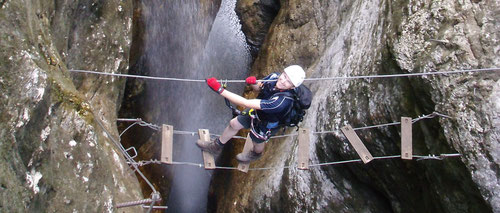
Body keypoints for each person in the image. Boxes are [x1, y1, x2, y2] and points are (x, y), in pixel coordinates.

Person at [196, 65, 306, 163]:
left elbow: (246, 103)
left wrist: (220, 90)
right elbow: (260, 88)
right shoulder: (274, 77)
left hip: (267, 123)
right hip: (257, 112)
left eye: (288, 81)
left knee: (257, 141)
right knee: (234, 124)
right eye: (284, 75)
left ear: (292, 87)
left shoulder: (282, 102)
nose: (282, 80)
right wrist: (254, 83)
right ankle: (216, 146)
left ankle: (256, 154)